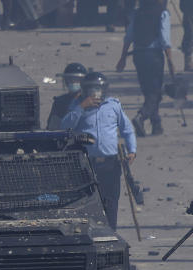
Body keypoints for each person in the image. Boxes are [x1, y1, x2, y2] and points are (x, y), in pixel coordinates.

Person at [61, 72, 138, 230]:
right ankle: (89, 232)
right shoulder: (77, 105)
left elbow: (127, 129)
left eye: (98, 89)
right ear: (85, 90)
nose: (95, 93)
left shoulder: (113, 105)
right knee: (87, 201)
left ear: (104, 90)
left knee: (110, 200)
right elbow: (65, 126)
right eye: (91, 89)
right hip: (86, 164)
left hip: (110, 163)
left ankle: (110, 232)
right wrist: (81, 107)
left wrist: (132, 150)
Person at [117, 0, 174, 137]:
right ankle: (141, 117)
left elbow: (129, 37)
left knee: (148, 91)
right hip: (154, 56)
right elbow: (165, 39)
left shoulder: (136, 13)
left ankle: (156, 124)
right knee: (155, 92)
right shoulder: (163, 14)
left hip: (138, 56)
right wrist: (170, 61)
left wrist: (123, 58)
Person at [47, 62, 87, 130]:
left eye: (76, 79)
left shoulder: (89, 101)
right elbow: (52, 127)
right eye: (70, 79)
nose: (73, 81)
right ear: (65, 81)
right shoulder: (60, 102)